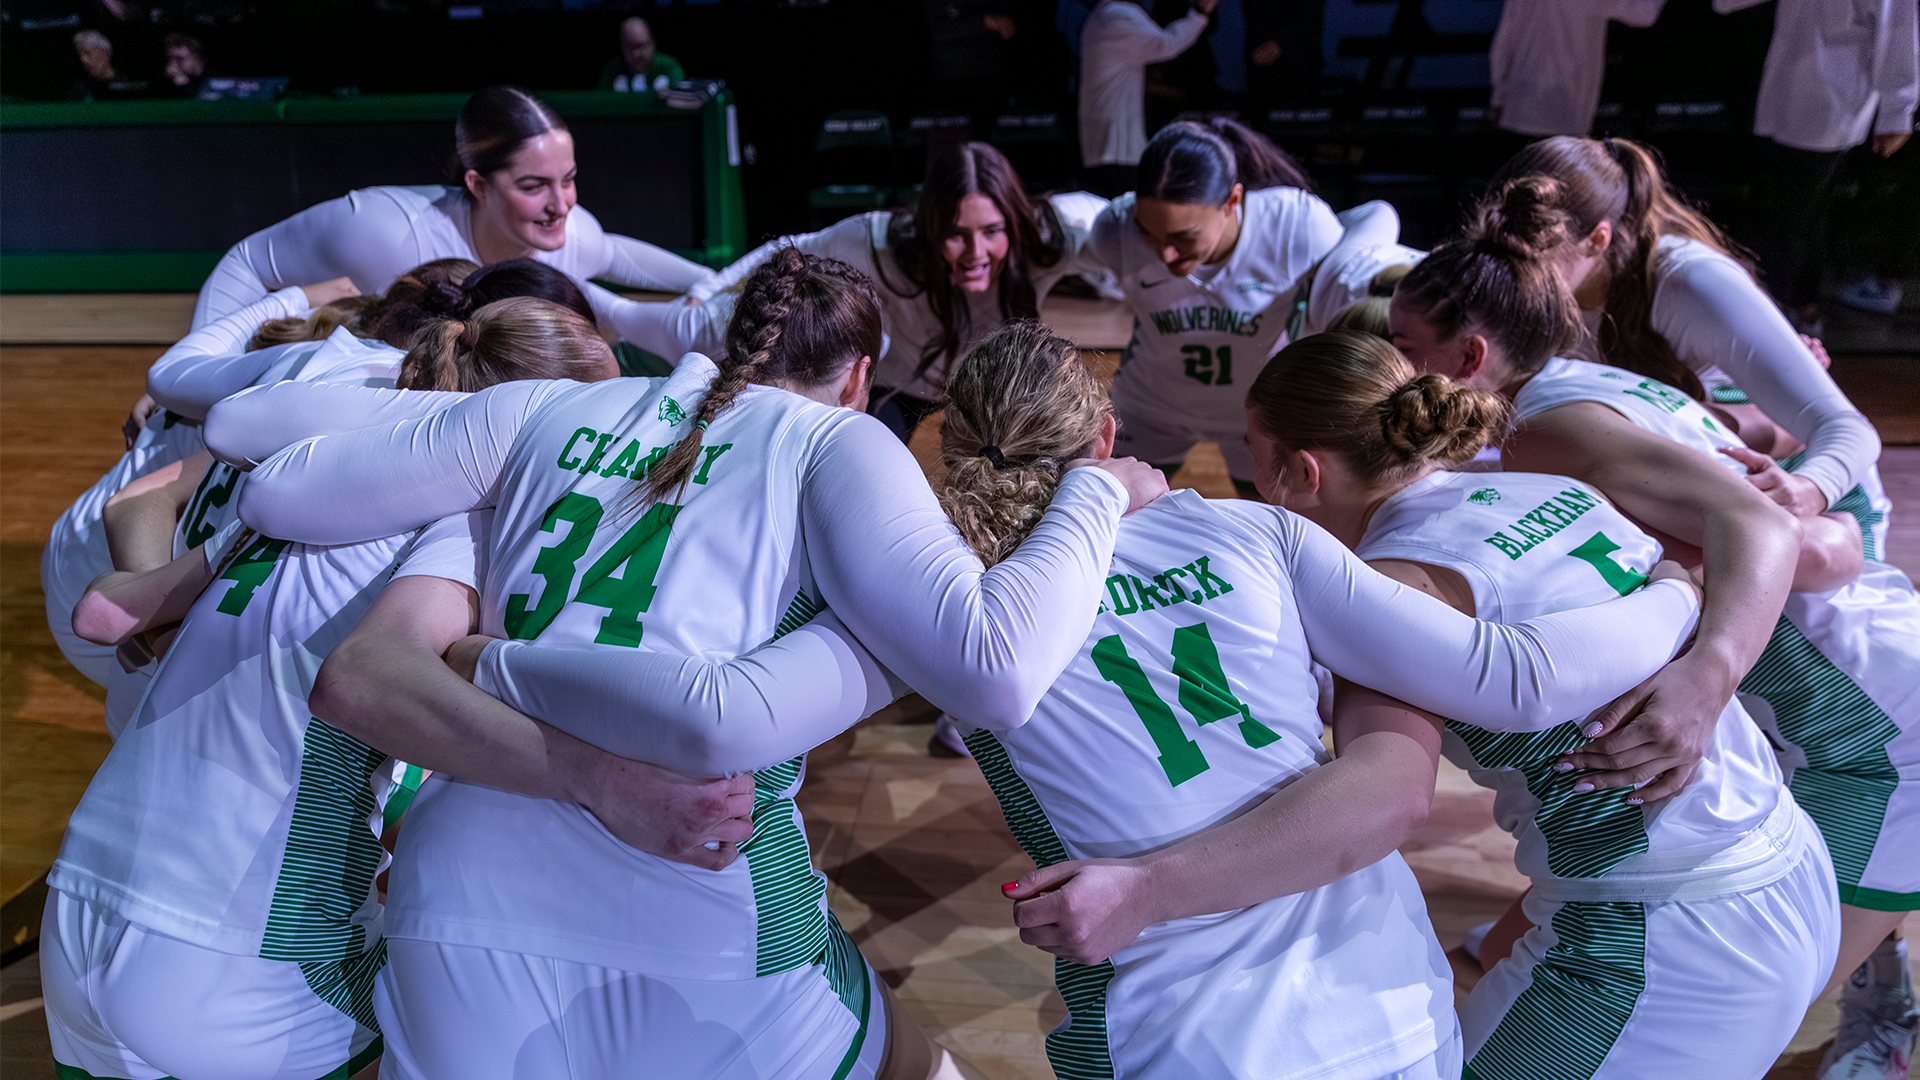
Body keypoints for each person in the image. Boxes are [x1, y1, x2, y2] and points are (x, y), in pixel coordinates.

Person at [288, 317, 1705, 1080]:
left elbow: (713, 710)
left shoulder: (936, 618)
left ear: (941, 451)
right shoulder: (1256, 534)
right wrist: (1685, 600)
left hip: (1176, 1032)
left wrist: (492, 659)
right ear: (1108, 435)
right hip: (1386, 1002)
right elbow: (1503, 686)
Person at [200, 250, 1165, 1078]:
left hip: (458, 904)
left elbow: (256, 461)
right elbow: (997, 671)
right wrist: (1094, 491)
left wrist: (434, 408)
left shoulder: (542, 409)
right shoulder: (836, 442)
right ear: (861, 378)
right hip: (701, 908)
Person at [1391, 195, 1920, 1079]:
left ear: (1472, 355)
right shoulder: (1595, 386)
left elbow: (1778, 532)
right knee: (1543, 935)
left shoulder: (1543, 434)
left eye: (1402, 345)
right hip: (1847, 675)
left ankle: (1883, 1019)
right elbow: (1807, 518)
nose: (1391, 366)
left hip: (1875, 735)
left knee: (1750, 1000)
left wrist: (1710, 662)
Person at [40, 299, 621, 1080]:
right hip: (235, 949)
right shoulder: (468, 528)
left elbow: (103, 613)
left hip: (79, 907)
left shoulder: (295, 489)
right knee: (492, 1012)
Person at [1247, 329, 1838, 1079]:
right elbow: (1724, 540)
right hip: (1788, 853)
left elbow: (1387, 791)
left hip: (1663, 928)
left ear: (1302, 471)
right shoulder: (1552, 488)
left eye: (1252, 452)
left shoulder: (1389, 588)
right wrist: (1678, 592)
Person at [1484, 136, 1888, 548]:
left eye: (1530, 254)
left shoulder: (1690, 282)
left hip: (1802, 501)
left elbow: (1847, 428)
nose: (1509, 271)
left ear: (1597, 239)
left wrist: (1807, 488)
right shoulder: (1517, 280)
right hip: (1670, 483)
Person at [601, 141, 1097, 442]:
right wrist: (708, 286)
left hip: (984, 387)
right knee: (865, 472)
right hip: (898, 386)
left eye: (991, 231)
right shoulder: (880, 242)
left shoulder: (1051, 237)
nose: (975, 252)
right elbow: (787, 249)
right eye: (955, 234)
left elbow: (1119, 218)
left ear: (1013, 223)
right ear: (930, 228)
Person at [188, 86, 708, 334]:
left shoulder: (571, 235)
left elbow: (613, 254)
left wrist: (710, 282)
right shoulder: (384, 232)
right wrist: (199, 375)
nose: (561, 205)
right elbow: (247, 262)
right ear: (477, 184)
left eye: (568, 180)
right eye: (534, 186)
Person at [1081, 118, 1340, 495]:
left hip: (1259, 414)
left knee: (1268, 523)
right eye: (1148, 233)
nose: (1165, 254)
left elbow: (1365, 242)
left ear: (1232, 201)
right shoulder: (1116, 229)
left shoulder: (1295, 226)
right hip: (1150, 411)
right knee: (1117, 514)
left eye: (1183, 237)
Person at [1715, 0, 1917, 331]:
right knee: (1794, 211)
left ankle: (1795, 312)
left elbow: (1898, 30)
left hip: (1831, 97)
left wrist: (1898, 111)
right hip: (1782, 85)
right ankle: (1792, 307)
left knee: (1800, 214)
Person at [1078, 0, 1217, 197]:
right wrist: (1200, 12)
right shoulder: (1118, 15)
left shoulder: (1102, 15)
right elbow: (1166, 43)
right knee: (1126, 210)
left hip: (1106, 146)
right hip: (1116, 147)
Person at [1487, 0, 1666, 138]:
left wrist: (1498, 97)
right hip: (1565, 110)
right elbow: (1643, 13)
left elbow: (1503, 41)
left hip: (1519, 106)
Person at [596, 16, 684, 95]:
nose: (636, 54)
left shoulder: (669, 67)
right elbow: (600, 102)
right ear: (622, 47)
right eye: (630, 47)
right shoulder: (612, 70)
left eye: (641, 46)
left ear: (652, 44)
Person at [69, 28, 147, 100]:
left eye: (87, 53)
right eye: (80, 55)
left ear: (104, 53)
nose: (83, 60)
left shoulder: (127, 84)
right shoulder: (80, 89)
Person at [161, 31, 206, 98]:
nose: (172, 63)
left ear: (195, 58)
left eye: (179, 59)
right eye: (169, 58)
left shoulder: (211, 80)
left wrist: (183, 85)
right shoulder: (163, 82)